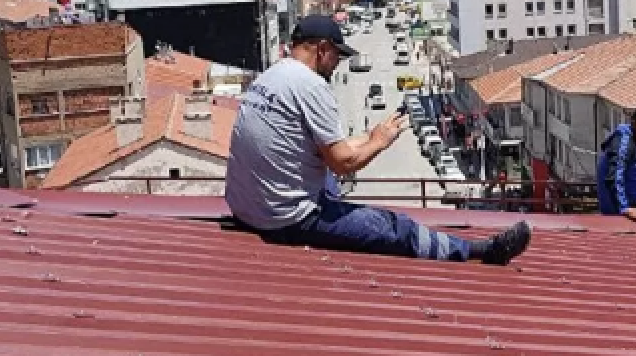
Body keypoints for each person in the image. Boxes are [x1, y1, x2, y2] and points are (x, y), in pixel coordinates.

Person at [225, 15, 531, 265]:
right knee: (391, 227)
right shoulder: (311, 86)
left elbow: (328, 148)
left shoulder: (270, 77)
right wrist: (379, 143)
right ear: (322, 49)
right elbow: (344, 163)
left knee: (329, 185)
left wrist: (370, 137)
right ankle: (478, 252)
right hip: (285, 219)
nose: (338, 64)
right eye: (337, 55)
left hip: (247, 209)